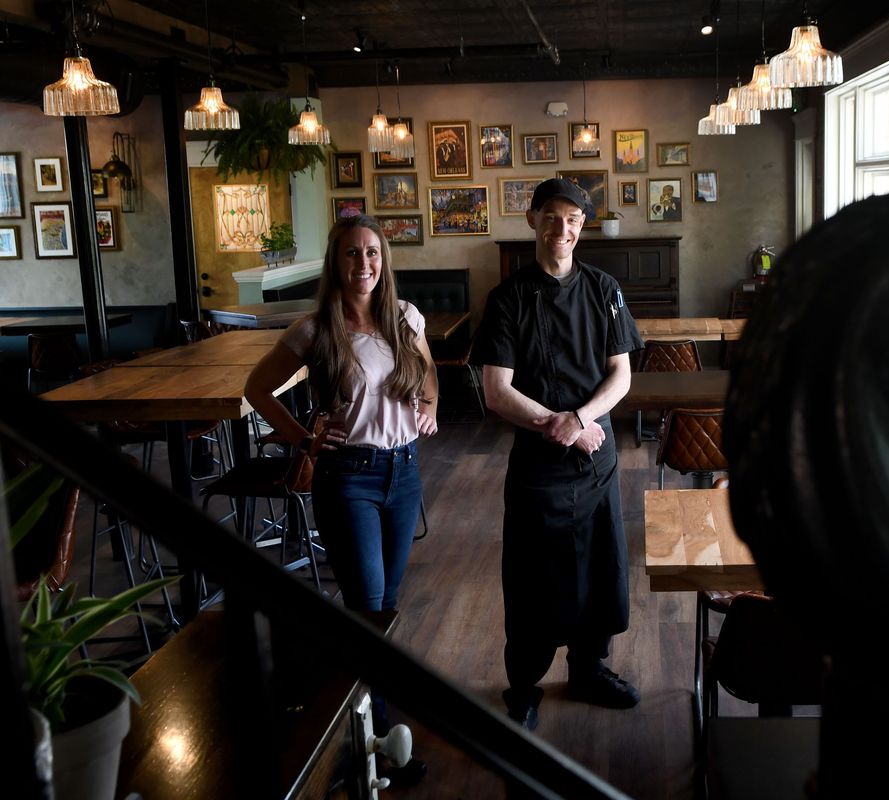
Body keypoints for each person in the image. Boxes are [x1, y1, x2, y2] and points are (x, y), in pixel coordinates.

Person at [244, 214, 437, 779]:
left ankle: (369, 736)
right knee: (366, 610)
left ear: (384, 260)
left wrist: (429, 408)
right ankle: (370, 744)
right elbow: (257, 388)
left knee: (385, 603)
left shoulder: (404, 317)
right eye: (352, 254)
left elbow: (428, 379)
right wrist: (305, 438)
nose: (363, 264)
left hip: (404, 473)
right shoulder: (314, 331)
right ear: (336, 263)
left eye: (372, 253)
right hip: (346, 476)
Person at [472, 178, 644, 731]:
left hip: (596, 458)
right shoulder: (507, 298)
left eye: (572, 220)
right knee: (532, 578)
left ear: (582, 226)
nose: (562, 230)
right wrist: (558, 424)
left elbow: (621, 373)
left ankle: (588, 668)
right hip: (539, 467)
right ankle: (523, 686)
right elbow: (497, 390)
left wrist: (583, 419)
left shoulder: (604, 289)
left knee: (600, 566)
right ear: (532, 220)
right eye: (551, 217)